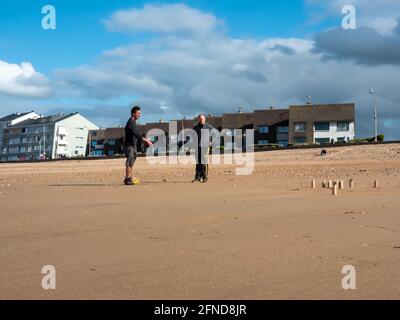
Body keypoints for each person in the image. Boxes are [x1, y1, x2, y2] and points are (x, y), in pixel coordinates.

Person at [123, 106, 153, 186]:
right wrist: (146, 141)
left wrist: (145, 139)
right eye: (138, 113)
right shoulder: (131, 122)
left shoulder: (133, 122)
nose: (139, 115)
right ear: (133, 114)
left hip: (133, 145)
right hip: (129, 145)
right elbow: (137, 134)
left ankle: (129, 177)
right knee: (129, 162)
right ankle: (127, 179)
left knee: (132, 161)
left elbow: (137, 134)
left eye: (140, 113)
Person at [192, 114, 215, 183]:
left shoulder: (209, 127)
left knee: (204, 162)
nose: (201, 120)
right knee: (198, 163)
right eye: (200, 119)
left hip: (205, 147)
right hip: (197, 147)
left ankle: (205, 177)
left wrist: (211, 142)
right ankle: (197, 177)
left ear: (204, 119)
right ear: (198, 120)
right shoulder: (195, 128)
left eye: (202, 119)